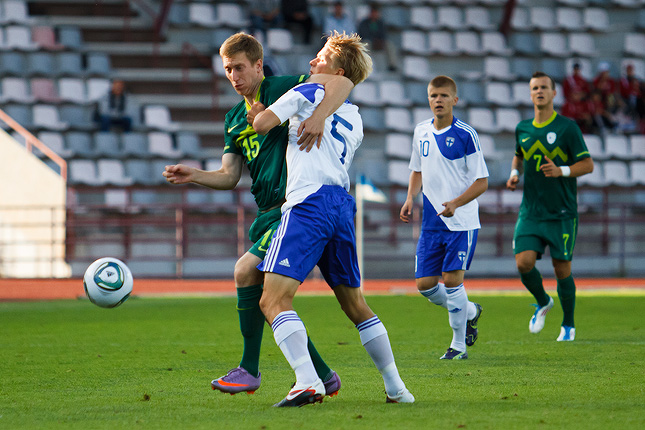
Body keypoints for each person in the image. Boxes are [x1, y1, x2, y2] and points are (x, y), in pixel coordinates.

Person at [163, 32, 354, 396]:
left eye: (239, 67)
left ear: (258, 66)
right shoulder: (234, 118)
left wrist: (319, 117)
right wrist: (194, 176)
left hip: (296, 206)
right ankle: (324, 374)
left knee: (246, 273)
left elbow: (342, 82)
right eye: (227, 69)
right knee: (270, 298)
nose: (233, 76)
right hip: (266, 213)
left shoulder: (283, 89)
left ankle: (250, 369)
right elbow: (229, 176)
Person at [252, 31, 414, 407]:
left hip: (308, 202)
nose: (311, 63)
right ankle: (397, 388)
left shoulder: (305, 93)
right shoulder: (355, 118)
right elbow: (338, 94)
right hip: (341, 204)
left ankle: (307, 380)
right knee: (356, 305)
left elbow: (262, 127)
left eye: (320, 58)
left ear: (336, 70)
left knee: (273, 300)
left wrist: (261, 112)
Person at [399, 76, 489, 360]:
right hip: (432, 223)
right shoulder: (420, 131)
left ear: (454, 100)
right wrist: (410, 197)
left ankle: (458, 345)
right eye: (433, 95)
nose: (437, 100)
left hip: (461, 223)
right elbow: (417, 169)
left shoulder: (466, 135)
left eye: (443, 96)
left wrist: (456, 204)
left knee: (452, 282)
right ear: (428, 99)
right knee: (425, 285)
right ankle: (471, 311)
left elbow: (482, 181)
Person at [506, 72, 594, 342]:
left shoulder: (568, 128)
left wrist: (561, 170)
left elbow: (587, 165)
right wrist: (514, 174)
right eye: (535, 88)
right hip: (531, 211)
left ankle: (568, 325)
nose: (539, 91)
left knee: (561, 268)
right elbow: (519, 155)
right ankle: (543, 301)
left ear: (555, 93)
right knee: (523, 263)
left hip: (562, 214)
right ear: (530, 93)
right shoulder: (523, 128)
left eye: (544, 87)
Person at [357, 3, 397, 72]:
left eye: (375, 12)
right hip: (369, 42)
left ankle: (392, 65)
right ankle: (367, 65)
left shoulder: (381, 23)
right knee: (366, 44)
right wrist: (374, 40)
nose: (374, 14)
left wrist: (380, 40)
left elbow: (384, 34)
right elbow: (363, 34)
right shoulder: (364, 23)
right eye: (373, 12)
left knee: (389, 45)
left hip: (379, 43)